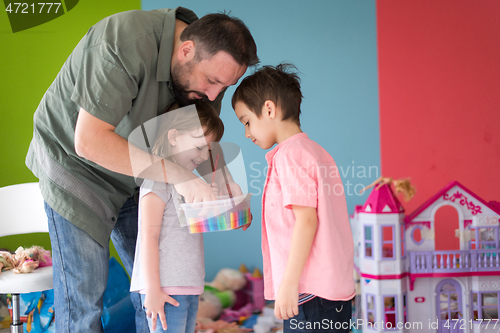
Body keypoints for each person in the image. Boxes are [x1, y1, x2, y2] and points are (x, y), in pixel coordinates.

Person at [25, 6, 258, 333]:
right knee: (85, 298)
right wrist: (179, 175)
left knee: (158, 287)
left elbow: (198, 134)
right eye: (212, 81)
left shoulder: (203, 71)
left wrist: (222, 179)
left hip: (141, 171)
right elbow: (90, 142)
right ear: (186, 50)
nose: (213, 95)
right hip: (77, 166)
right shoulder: (123, 42)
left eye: (225, 87)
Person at [232, 64, 355, 332]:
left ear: (268, 109)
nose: (246, 133)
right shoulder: (313, 151)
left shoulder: (290, 156)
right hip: (328, 292)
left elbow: (306, 221)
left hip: (310, 293)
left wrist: (288, 284)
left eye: (246, 122)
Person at [130, 102, 223, 333]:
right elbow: (148, 237)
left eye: (208, 150)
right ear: (173, 137)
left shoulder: (189, 185)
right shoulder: (156, 180)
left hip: (189, 286)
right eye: (200, 147)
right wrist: (152, 289)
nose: (204, 156)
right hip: (165, 288)